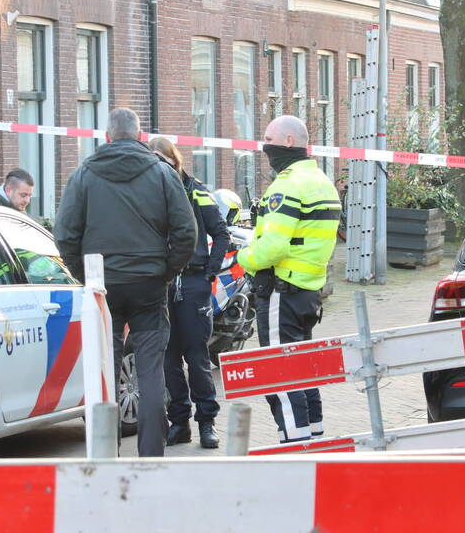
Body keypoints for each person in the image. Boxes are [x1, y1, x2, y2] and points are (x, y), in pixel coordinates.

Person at [55, 108, 197, 457]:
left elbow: (65, 235)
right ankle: (151, 456)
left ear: (106, 137)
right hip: (149, 284)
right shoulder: (164, 174)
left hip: (104, 286)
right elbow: (186, 232)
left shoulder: (84, 175)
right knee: (150, 370)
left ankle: (105, 454)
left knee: (105, 369)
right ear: (140, 136)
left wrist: (86, 276)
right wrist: (166, 270)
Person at [237, 115, 342, 444]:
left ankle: (294, 447)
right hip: (308, 293)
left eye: (267, 138)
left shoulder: (287, 185)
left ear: (287, 142)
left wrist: (243, 258)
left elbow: (274, 246)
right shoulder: (322, 182)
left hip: (281, 292)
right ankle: (314, 439)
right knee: (302, 367)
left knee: (278, 373)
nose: (263, 145)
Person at [148, 137, 230, 449]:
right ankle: (179, 422)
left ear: (173, 160)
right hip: (163, 284)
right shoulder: (151, 193)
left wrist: (209, 271)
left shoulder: (196, 190)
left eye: (161, 160)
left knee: (196, 357)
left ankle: (207, 422)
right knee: (169, 358)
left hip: (194, 283)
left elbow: (220, 233)